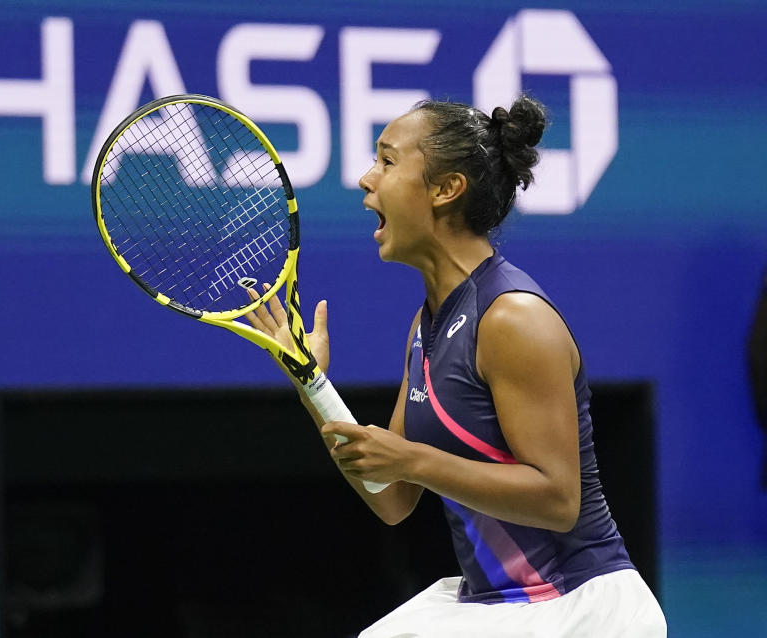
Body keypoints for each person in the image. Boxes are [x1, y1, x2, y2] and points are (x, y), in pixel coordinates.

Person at [246, 95, 667, 637]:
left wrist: (416, 459)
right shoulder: (426, 327)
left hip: (578, 607)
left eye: (388, 161)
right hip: (498, 606)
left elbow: (560, 500)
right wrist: (312, 384)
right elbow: (392, 498)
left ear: (446, 189)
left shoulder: (512, 318)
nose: (365, 179)